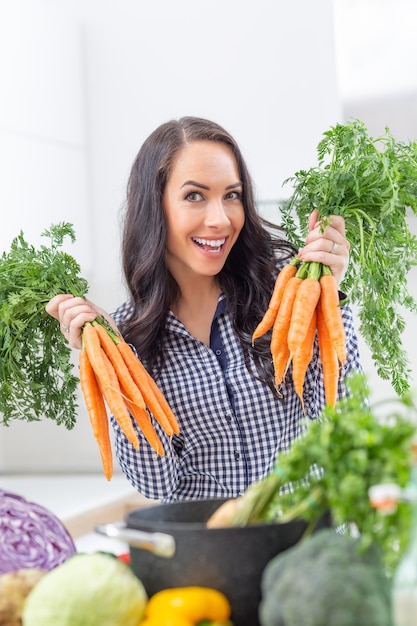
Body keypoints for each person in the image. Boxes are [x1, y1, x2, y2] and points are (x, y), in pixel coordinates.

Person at [46, 116, 361, 503]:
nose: (220, 219)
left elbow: (348, 428)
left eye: (232, 195)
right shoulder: (129, 331)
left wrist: (329, 295)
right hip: (207, 555)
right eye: (194, 196)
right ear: (155, 206)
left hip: (304, 545)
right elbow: (156, 484)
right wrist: (116, 364)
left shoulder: (287, 290)